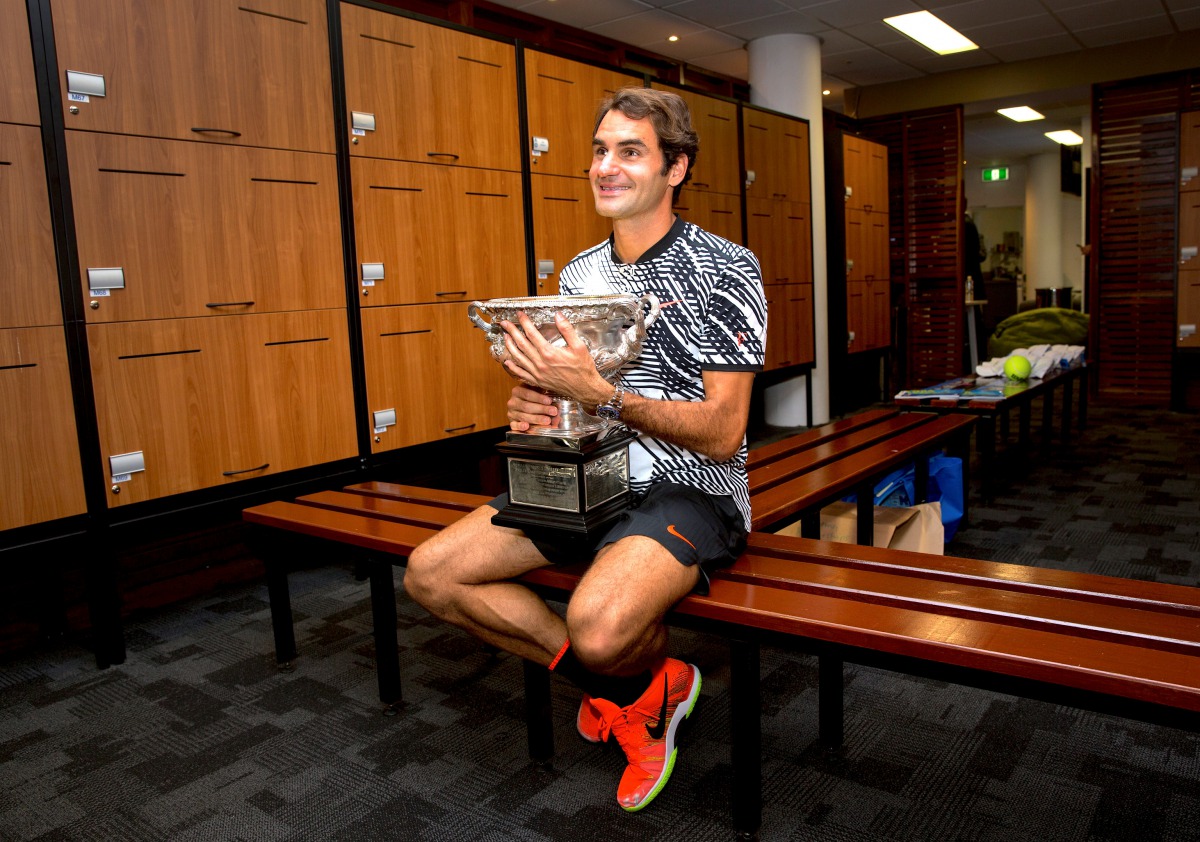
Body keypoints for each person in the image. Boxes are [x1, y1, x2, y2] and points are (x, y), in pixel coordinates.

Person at [404, 86, 766, 812]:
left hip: (695, 488)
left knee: (597, 625)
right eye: (600, 151)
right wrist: (539, 407)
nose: (607, 165)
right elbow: (573, 407)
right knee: (432, 575)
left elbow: (724, 431)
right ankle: (642, 695)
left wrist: (600, 394)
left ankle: (623, 683)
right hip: (591, 474)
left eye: (631, 151)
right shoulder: (578, 276)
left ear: (676, 169)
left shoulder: (727, 269)